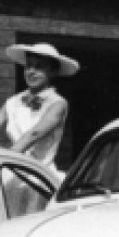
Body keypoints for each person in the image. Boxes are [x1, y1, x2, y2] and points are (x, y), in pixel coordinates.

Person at [0, 43, 80, 175]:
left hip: (38, 173)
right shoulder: (12, 102)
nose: (31, 71)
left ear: (53, 72)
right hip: (11, 170)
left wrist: (8, 157)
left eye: (39, 67)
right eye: (28, 66)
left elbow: (34, 134)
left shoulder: (57, 103)